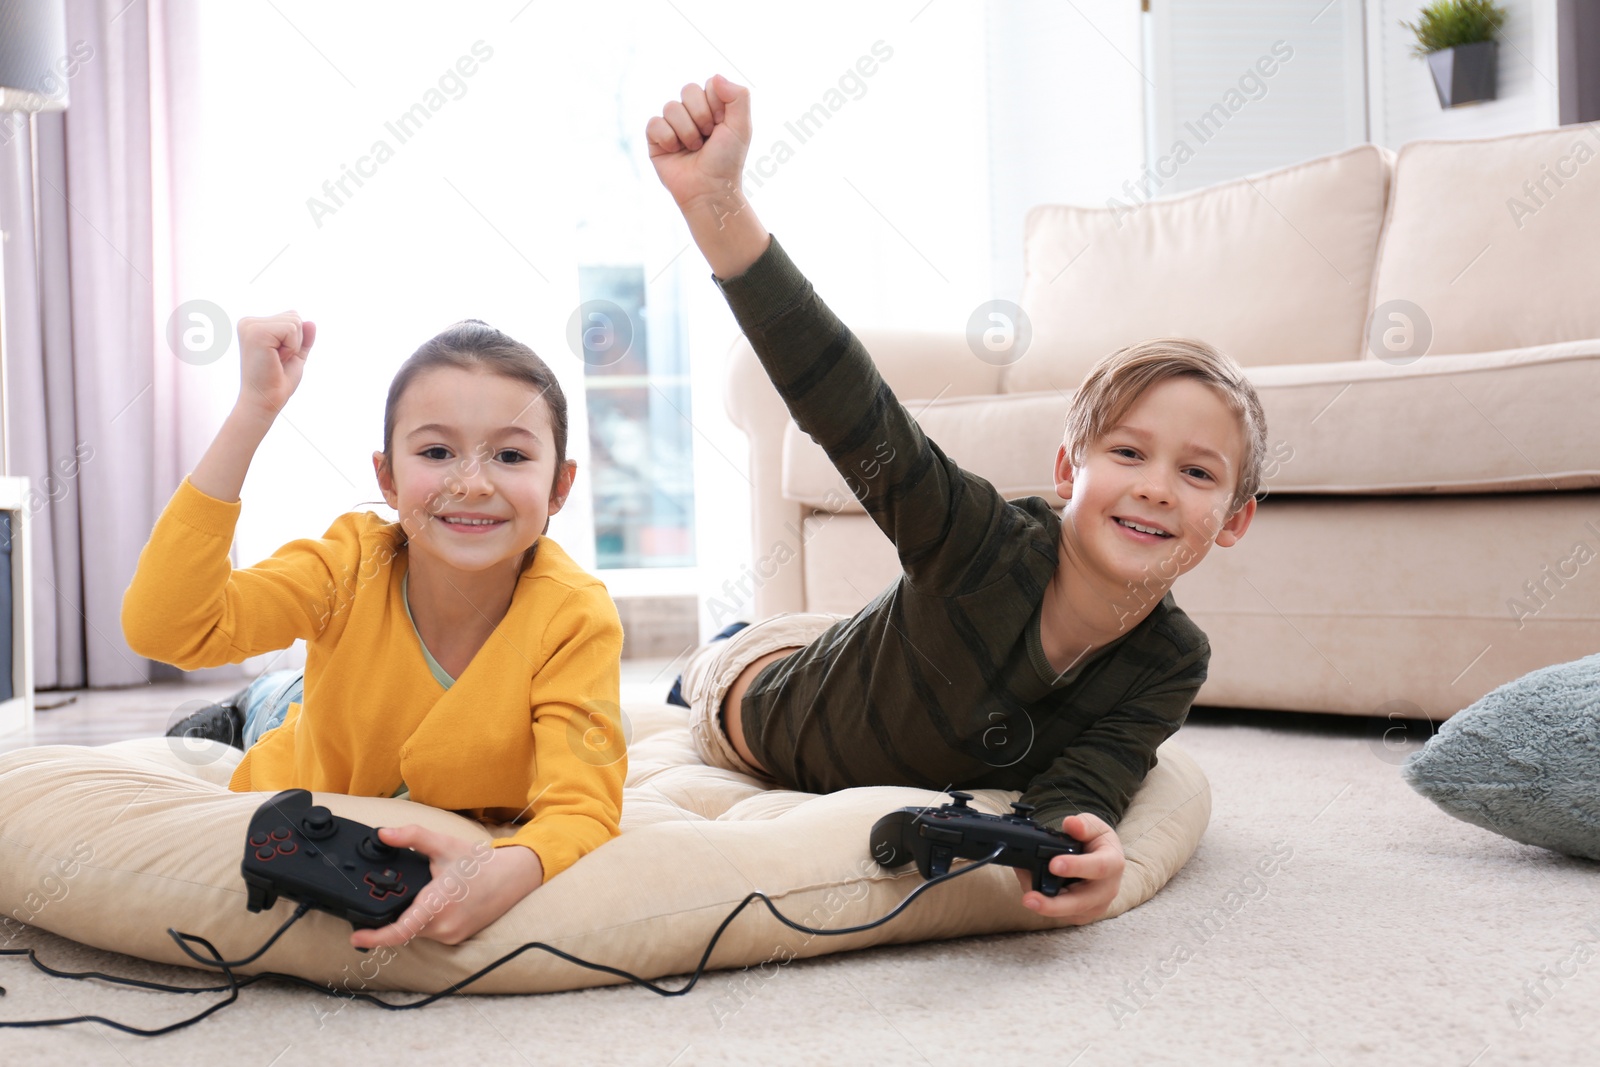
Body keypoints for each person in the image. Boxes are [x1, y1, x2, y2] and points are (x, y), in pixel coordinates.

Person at [647, 75, 1265, 924]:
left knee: (864, 639)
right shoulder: (980, 541)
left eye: (1198, 474)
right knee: (723, 662)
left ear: (1233, 520)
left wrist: (1067, 845)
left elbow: (1090, 779)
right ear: (1066, 471)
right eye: (1127, 452)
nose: (1157, 486)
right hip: (766, 699)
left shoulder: (1171, 658)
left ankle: (823, 636)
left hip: (879, 654)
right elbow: (851, 408)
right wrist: (717, 202)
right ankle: (722, 648)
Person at [122, 313, 626, 949]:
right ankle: (246, 706)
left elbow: (582, 805)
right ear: (386, 478)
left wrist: (511, 870)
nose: (471, 484)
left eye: (511, 455)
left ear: (559, 486)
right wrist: (254, 410)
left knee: (295, 692)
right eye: (437, 452)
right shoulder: (349, 563)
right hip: (300, 737)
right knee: (276, 706)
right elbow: (167, 629)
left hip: (342, 717)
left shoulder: (576, 614)